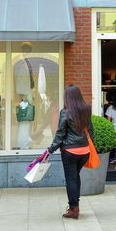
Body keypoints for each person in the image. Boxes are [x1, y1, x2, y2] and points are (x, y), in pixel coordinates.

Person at [47, 85, 93, 219]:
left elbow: (60, 133)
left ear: (67, 97)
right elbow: (90, 130)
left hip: (70, 151)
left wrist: (51, 149)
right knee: (75, 177)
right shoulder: (86, 109)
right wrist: (91, 146)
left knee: (71, 179)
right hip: (84, 150)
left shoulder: (65, 112)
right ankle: (75, 205)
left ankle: (74, 208)